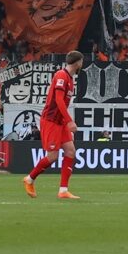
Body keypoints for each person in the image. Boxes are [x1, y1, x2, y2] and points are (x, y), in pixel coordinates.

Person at [24, 50, 84, 200]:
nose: (82, 64)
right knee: (52, 156)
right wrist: (70, 120)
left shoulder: (70, 78)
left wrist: (65, 121)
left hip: (60, 121)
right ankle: (30, 179)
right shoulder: (61, 76)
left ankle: (63, 190)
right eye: (81, 61)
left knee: (70, 151)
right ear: (77, 62)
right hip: (51, 121)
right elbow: (58, 101)